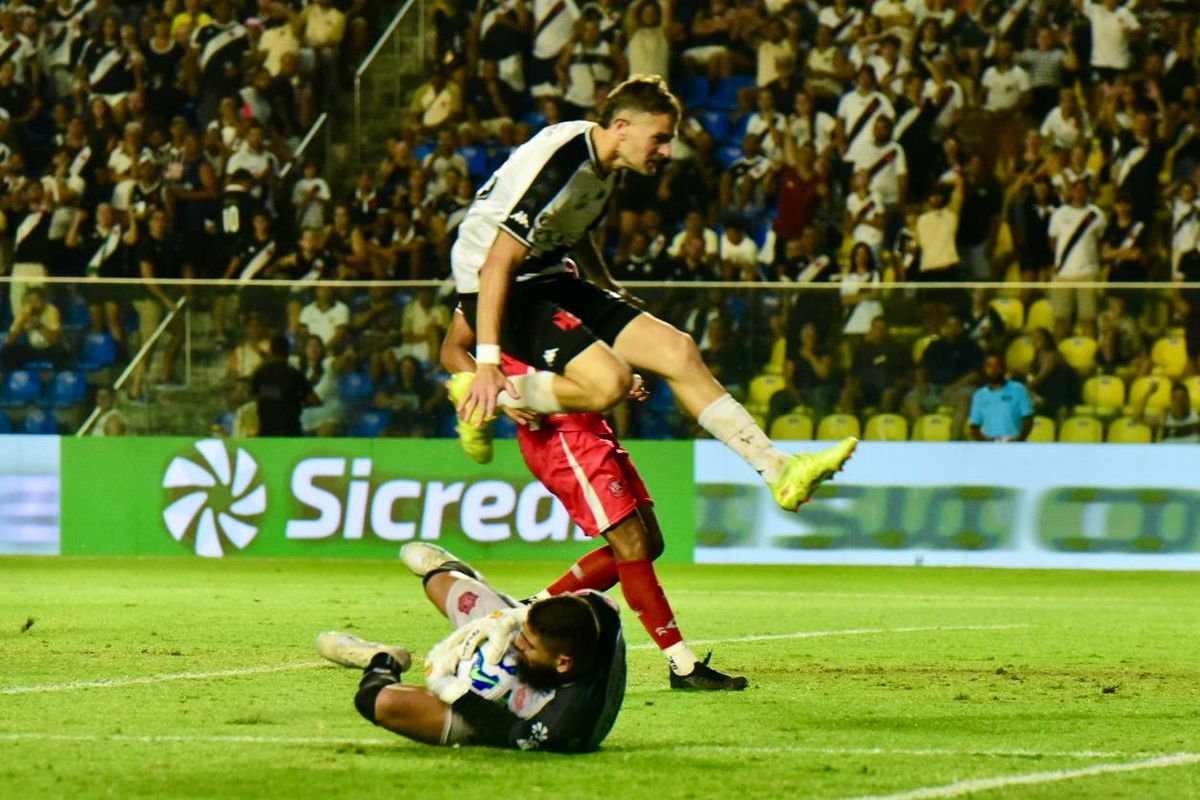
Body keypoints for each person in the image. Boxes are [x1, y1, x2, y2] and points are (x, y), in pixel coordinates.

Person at [446, 74, 855, 513]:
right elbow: (497, 263)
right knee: (610, 383)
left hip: (546, 273)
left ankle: (777, 469)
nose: (667, 151)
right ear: (622, 126)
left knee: (678, 351)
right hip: (498, 284)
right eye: (660, 138)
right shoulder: (563, 168)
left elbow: (570, 226)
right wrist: (486, 365)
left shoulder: (604, 167)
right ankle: (483, 395)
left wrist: (605, 285)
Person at [441, 311, 747, 690]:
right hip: (561, 436)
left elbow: (580, 347)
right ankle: (683, 665)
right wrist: (500, 396)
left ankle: (526, 611)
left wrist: (618, 379)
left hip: (592, 425)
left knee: (649, 544)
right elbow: (452, 350)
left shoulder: (557, 284)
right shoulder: (488, 287)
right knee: (632, 545)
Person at [319, 546, 626, 753]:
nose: (518, 644)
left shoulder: (561, 723)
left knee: (377, 703)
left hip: (513, 717)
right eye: (523, 635)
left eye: (528, 644)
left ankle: (382, 659)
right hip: (544, 667)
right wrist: (510, 618)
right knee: (438, 582)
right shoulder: (599, 610)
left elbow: (509, 733)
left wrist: (451, 689)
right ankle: (455, 569)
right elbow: (558, 609)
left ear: (562, 663)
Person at [250, 335, 318, 437]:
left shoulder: (260, 374)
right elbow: (313, 400)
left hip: (266, 432)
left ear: (271, 351)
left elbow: (255, 396)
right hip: (291, 432)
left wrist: (275, 394)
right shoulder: (296, 375)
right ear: (288, 352)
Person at [968, 354, 1034, 442]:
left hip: (1015, 444)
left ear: (1004, 368)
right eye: (989, 366)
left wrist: (1018, 441)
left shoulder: (1018, 389)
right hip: (990, 446)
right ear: (984, 369)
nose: (993, 370)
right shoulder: (979, 395)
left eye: (997, 365)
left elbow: (1028, 419)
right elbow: (974, 428)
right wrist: (987, 444)